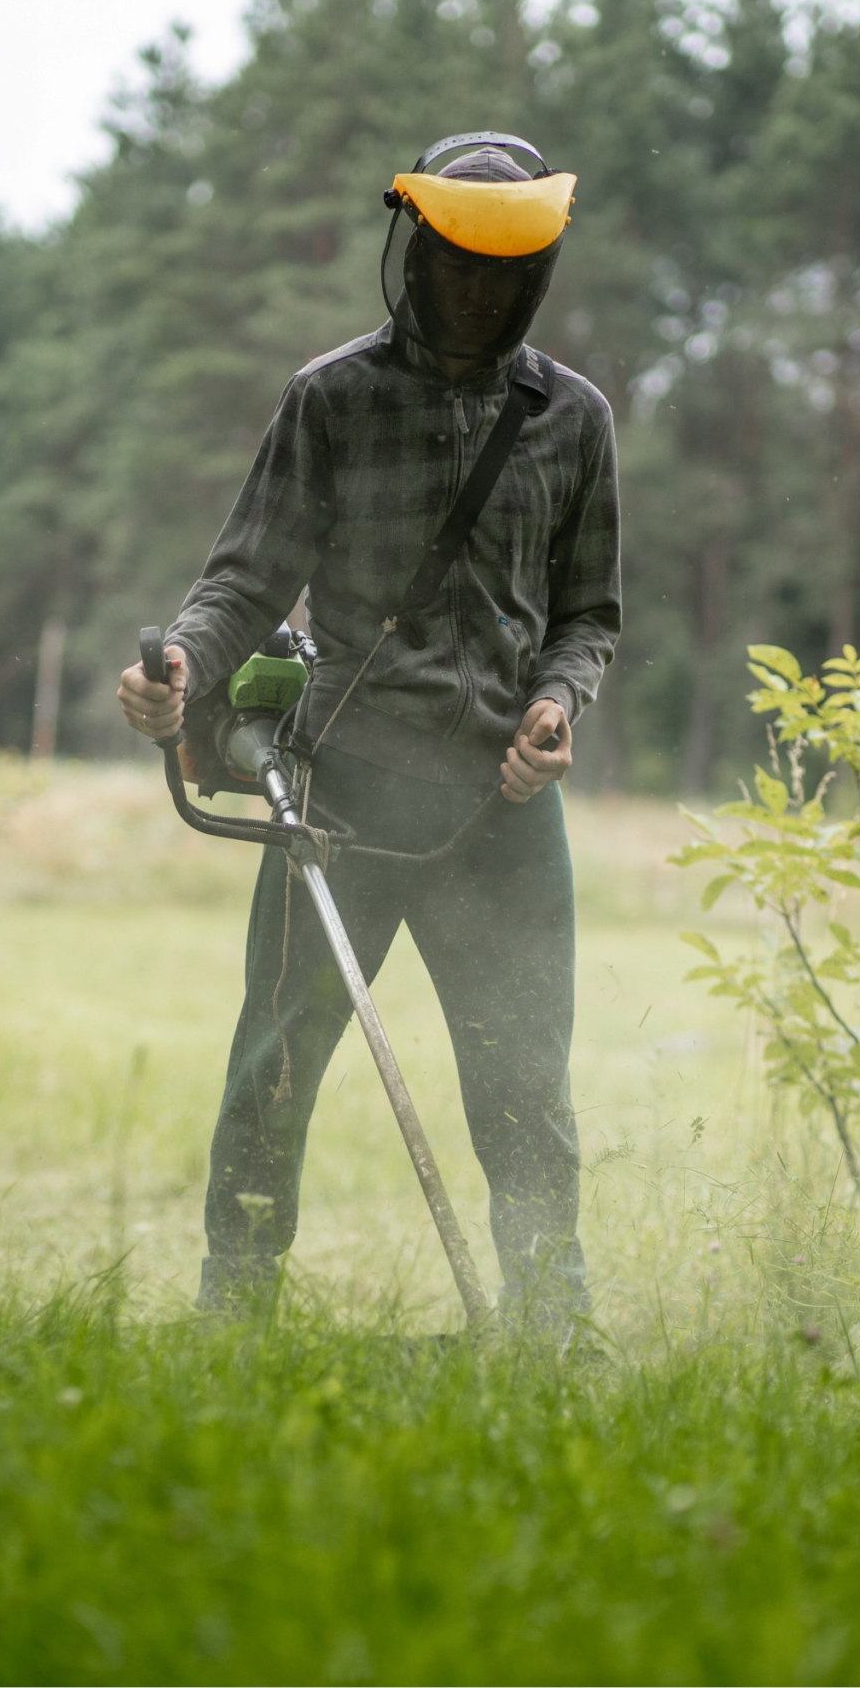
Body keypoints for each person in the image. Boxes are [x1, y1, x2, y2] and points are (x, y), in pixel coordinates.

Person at [117, 133, 620, 1325]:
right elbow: (244, 583)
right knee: (273, 1069)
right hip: (338, 799)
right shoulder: (331, 399)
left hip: (502, 811)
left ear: (536, 273)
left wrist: (555, 704)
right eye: (456, 262)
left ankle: (553, 1331)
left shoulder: (574, 419)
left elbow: (588, 615)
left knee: (526, 1090)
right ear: (415, 247)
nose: (477, 289)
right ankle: (232, 1321)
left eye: (505, 270)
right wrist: (181, 666)